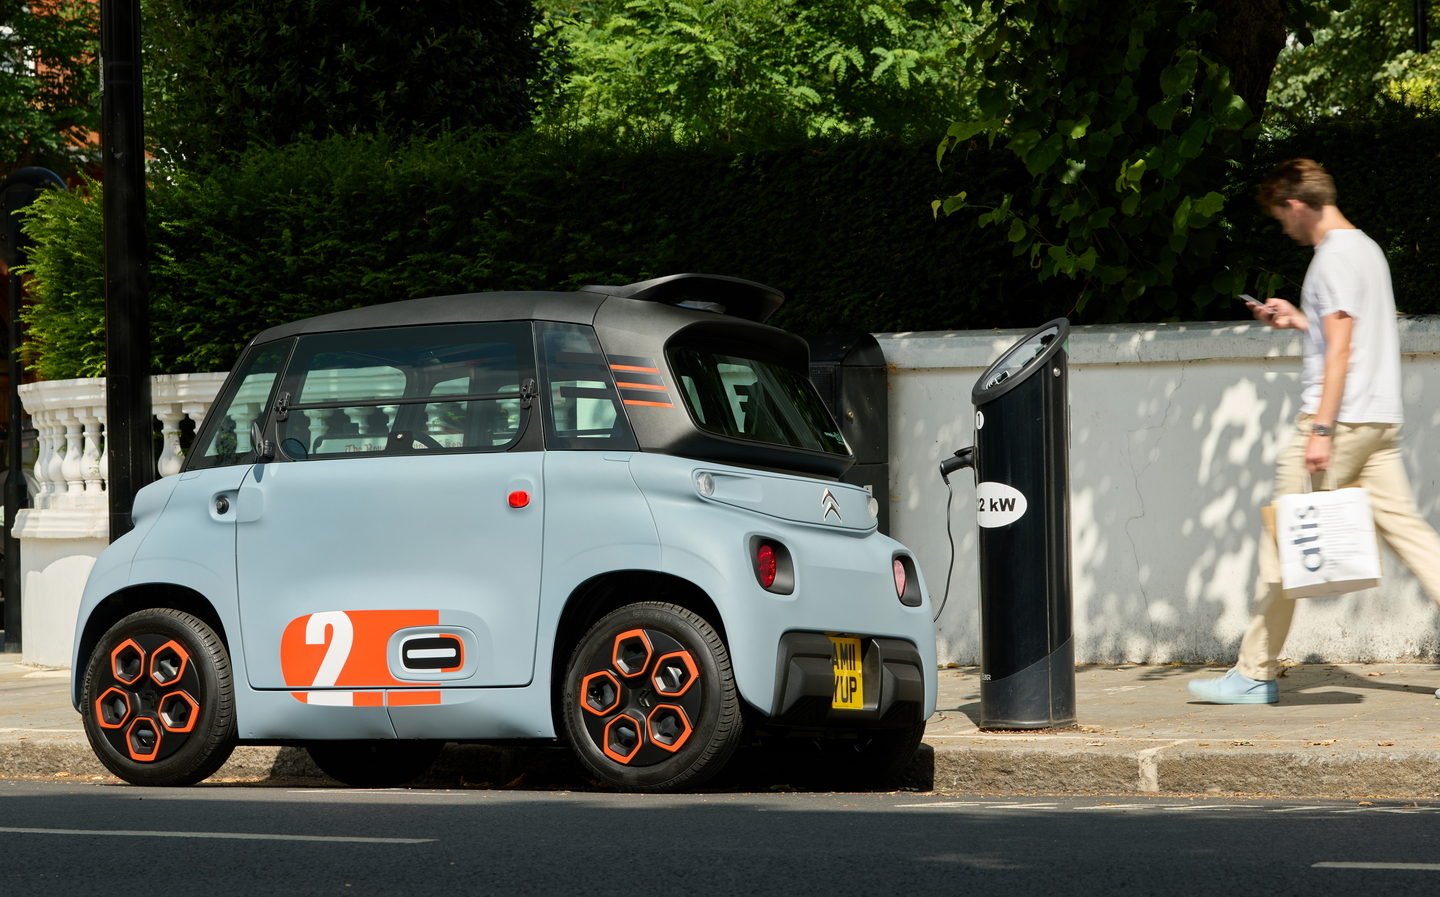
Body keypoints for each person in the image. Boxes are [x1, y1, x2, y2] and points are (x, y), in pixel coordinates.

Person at [1189, 158, 1440, 704]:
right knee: (1415, 540)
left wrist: (1321, 428)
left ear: (1296, 204)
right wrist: (1299, 320)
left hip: (1338, 420)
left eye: (1281, 215)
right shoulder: (1366, 249)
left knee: (1285, 537)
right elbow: (1349, 333)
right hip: (1376, 419)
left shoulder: (1332, 260)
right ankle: (1254, 669)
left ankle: (1255, 672)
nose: (1283, 227)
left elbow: (1343, 352)